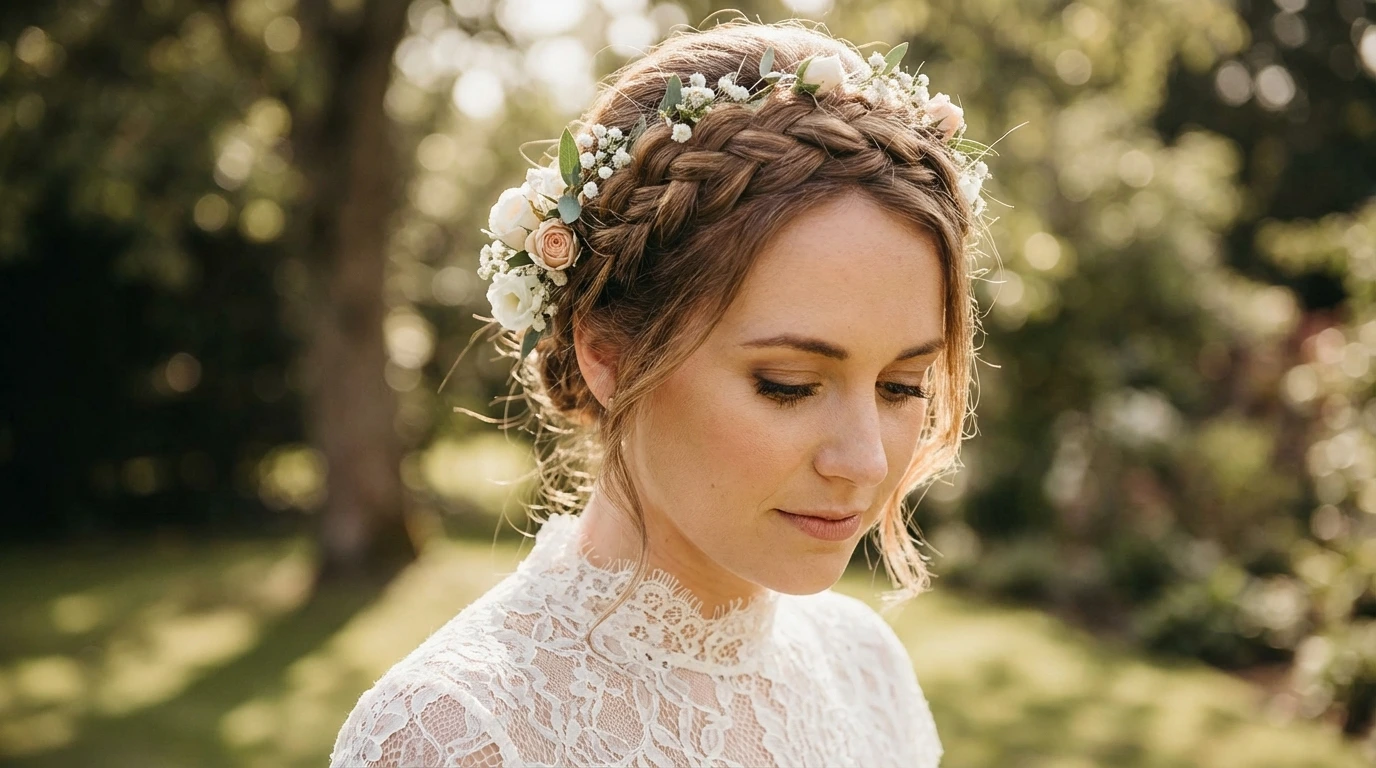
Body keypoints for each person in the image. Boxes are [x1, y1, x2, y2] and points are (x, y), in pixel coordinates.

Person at [330, 17, 993, 768]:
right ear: (608, 355)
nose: (866, 461)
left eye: (902, 386)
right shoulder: (460, 735)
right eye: (789, 386)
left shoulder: (866, 669)